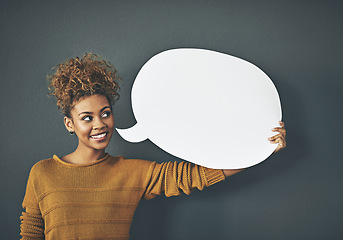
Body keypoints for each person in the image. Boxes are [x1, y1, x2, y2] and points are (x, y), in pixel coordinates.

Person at [19, 53, 286, 239]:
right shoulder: (42, 173)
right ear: (70, 124)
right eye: (86, 118)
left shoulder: (133, 172)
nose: (99, 124)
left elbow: (198, 175)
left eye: (105, 113)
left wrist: (261, 148)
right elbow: (30, 235)